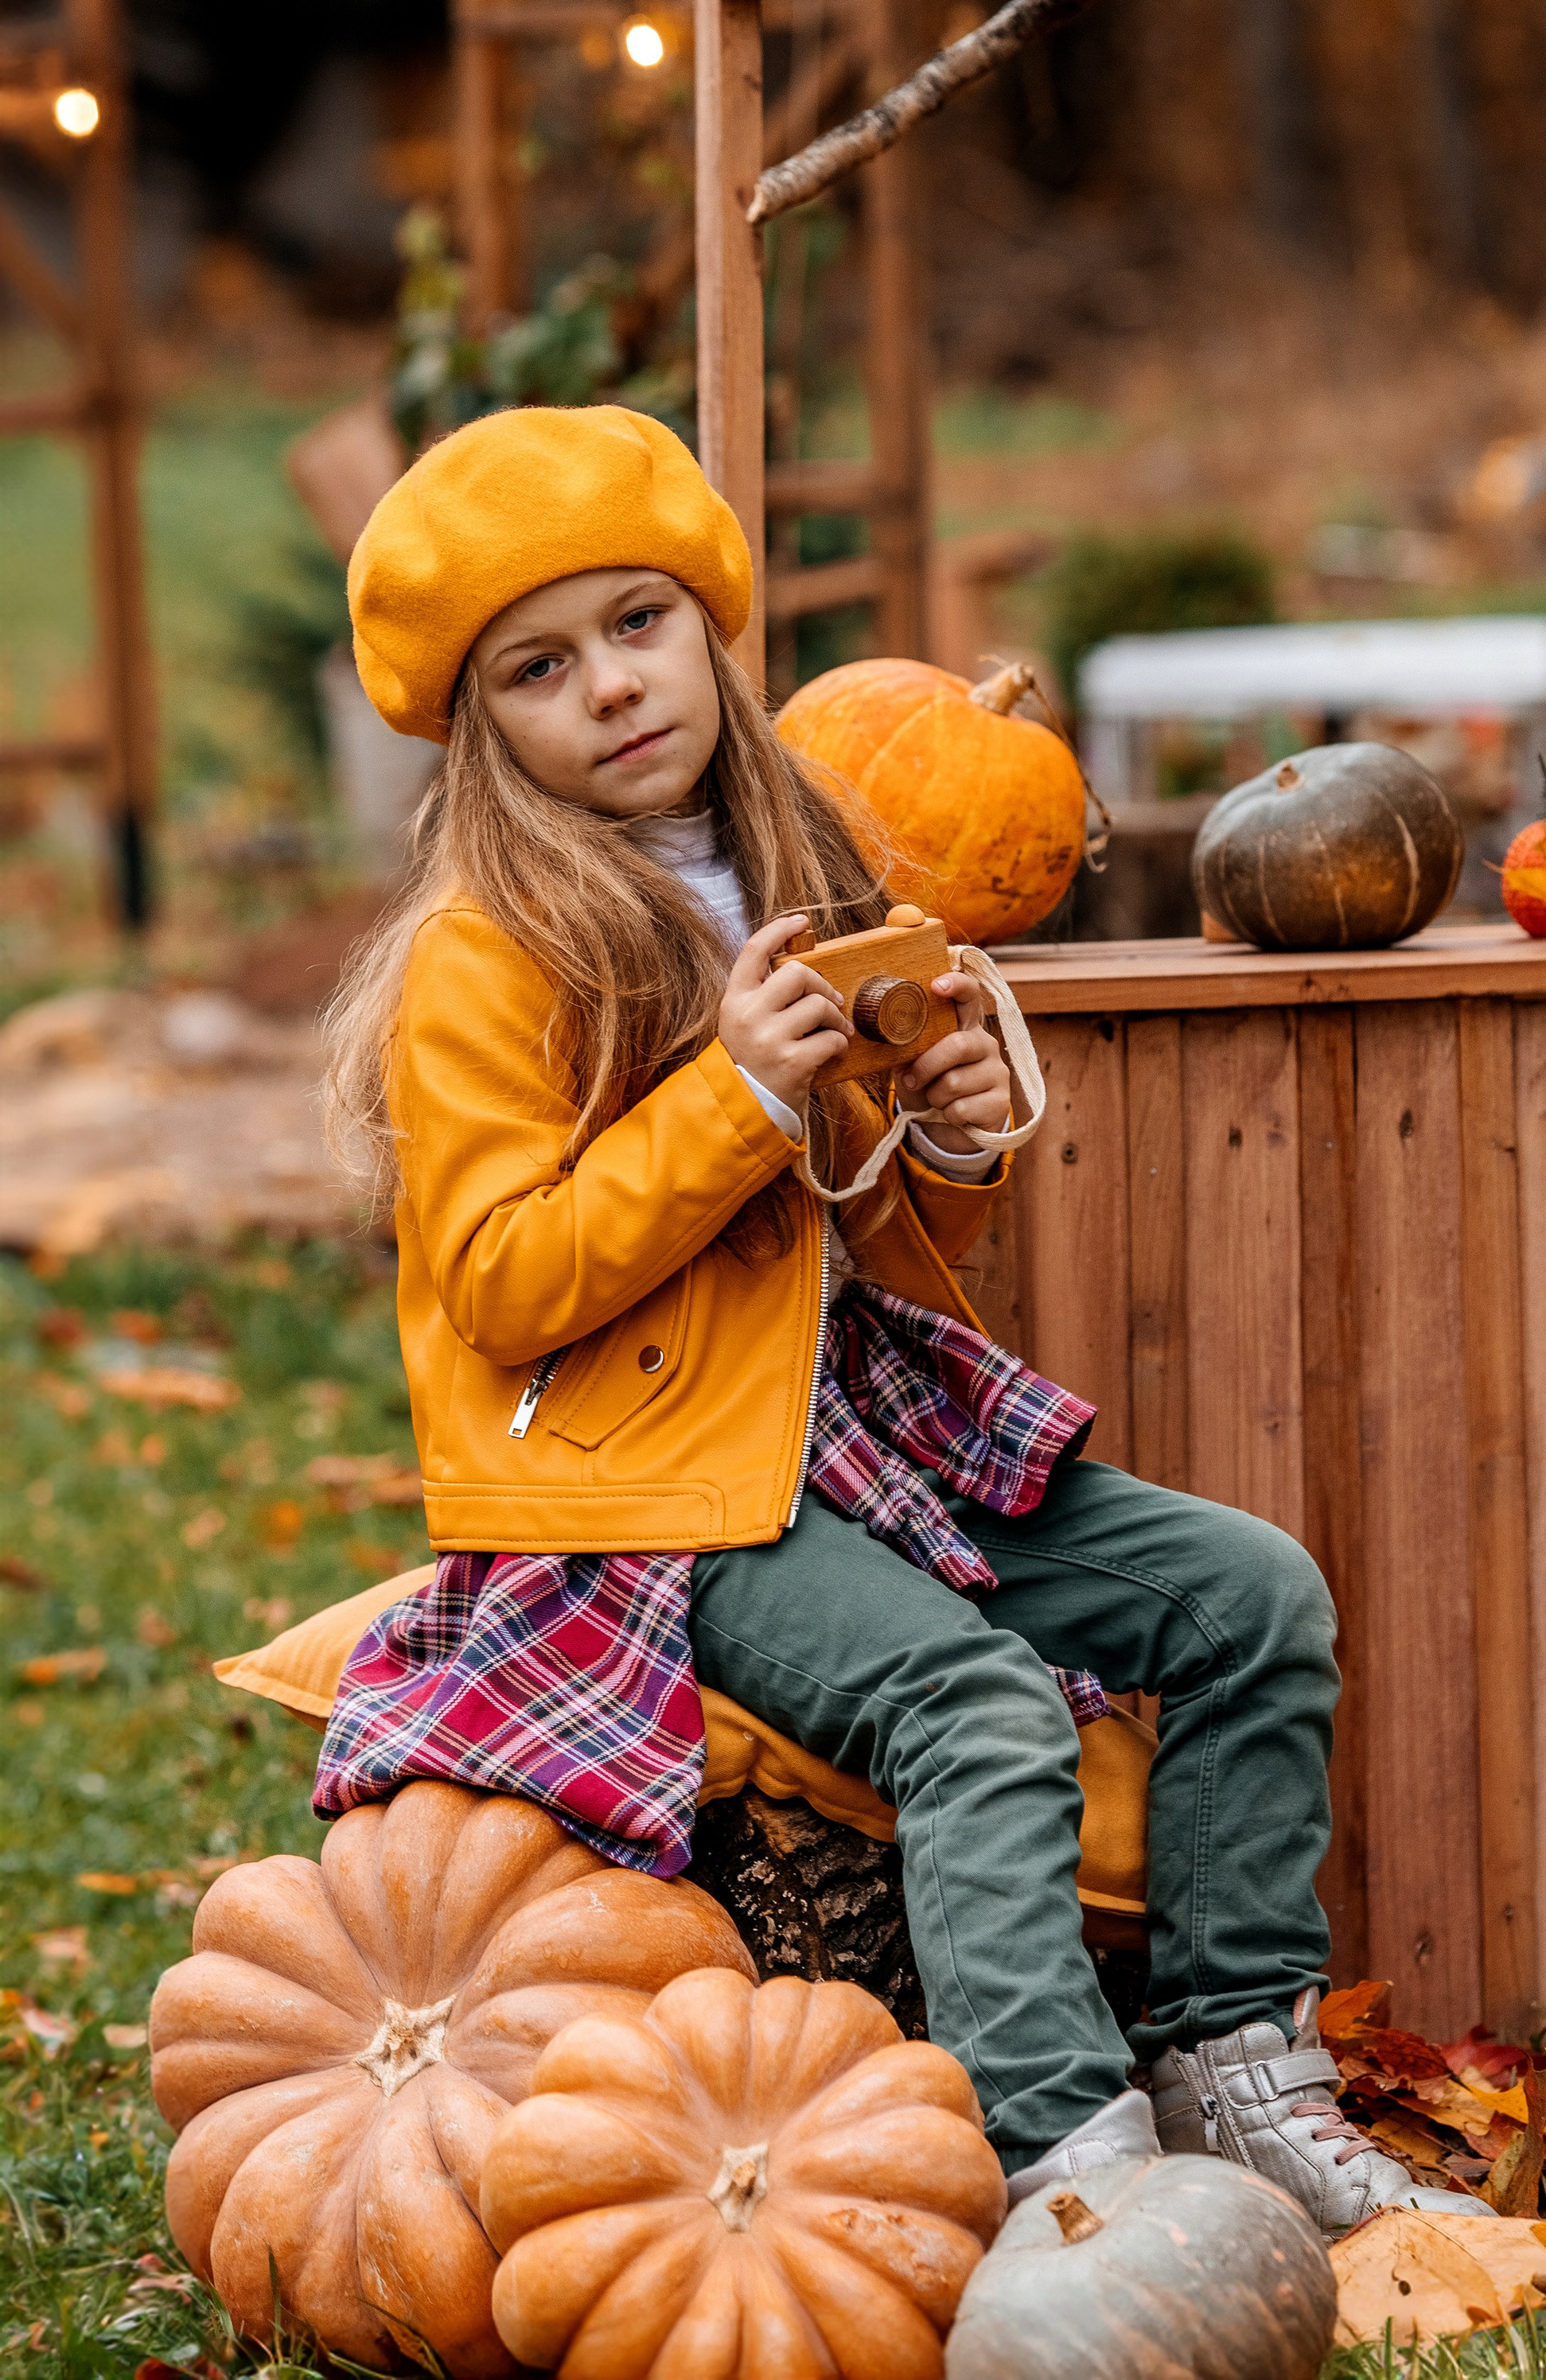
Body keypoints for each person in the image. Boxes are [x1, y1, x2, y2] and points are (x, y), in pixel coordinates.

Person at [317, 402, 1475, 2240]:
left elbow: (862, 1232)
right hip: (653, 1493)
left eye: (638, 623)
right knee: (972, 1700)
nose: (612, 687)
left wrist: (928, 1122)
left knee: (1250, 1596)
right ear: (481, 728)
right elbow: (503, 1284)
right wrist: (737, 1099)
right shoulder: (490, 952)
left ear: (708, 624)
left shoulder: (792, 867)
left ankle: (1233, 2058)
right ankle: (1065, 2162)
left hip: (846, 1426)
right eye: (540, 667)